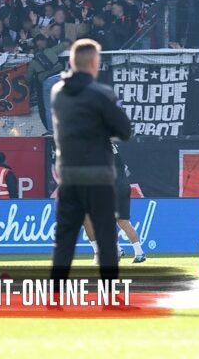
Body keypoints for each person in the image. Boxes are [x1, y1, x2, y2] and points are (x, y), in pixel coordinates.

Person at [49, 39, 133, 283]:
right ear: (94, 63)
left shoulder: (57, 92)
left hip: (69, 174)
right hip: (97, 173)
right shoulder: (101, 94)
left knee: (65, 237)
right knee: (107, 236)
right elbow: (124, 131)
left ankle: (55, 292)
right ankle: (109, 290)